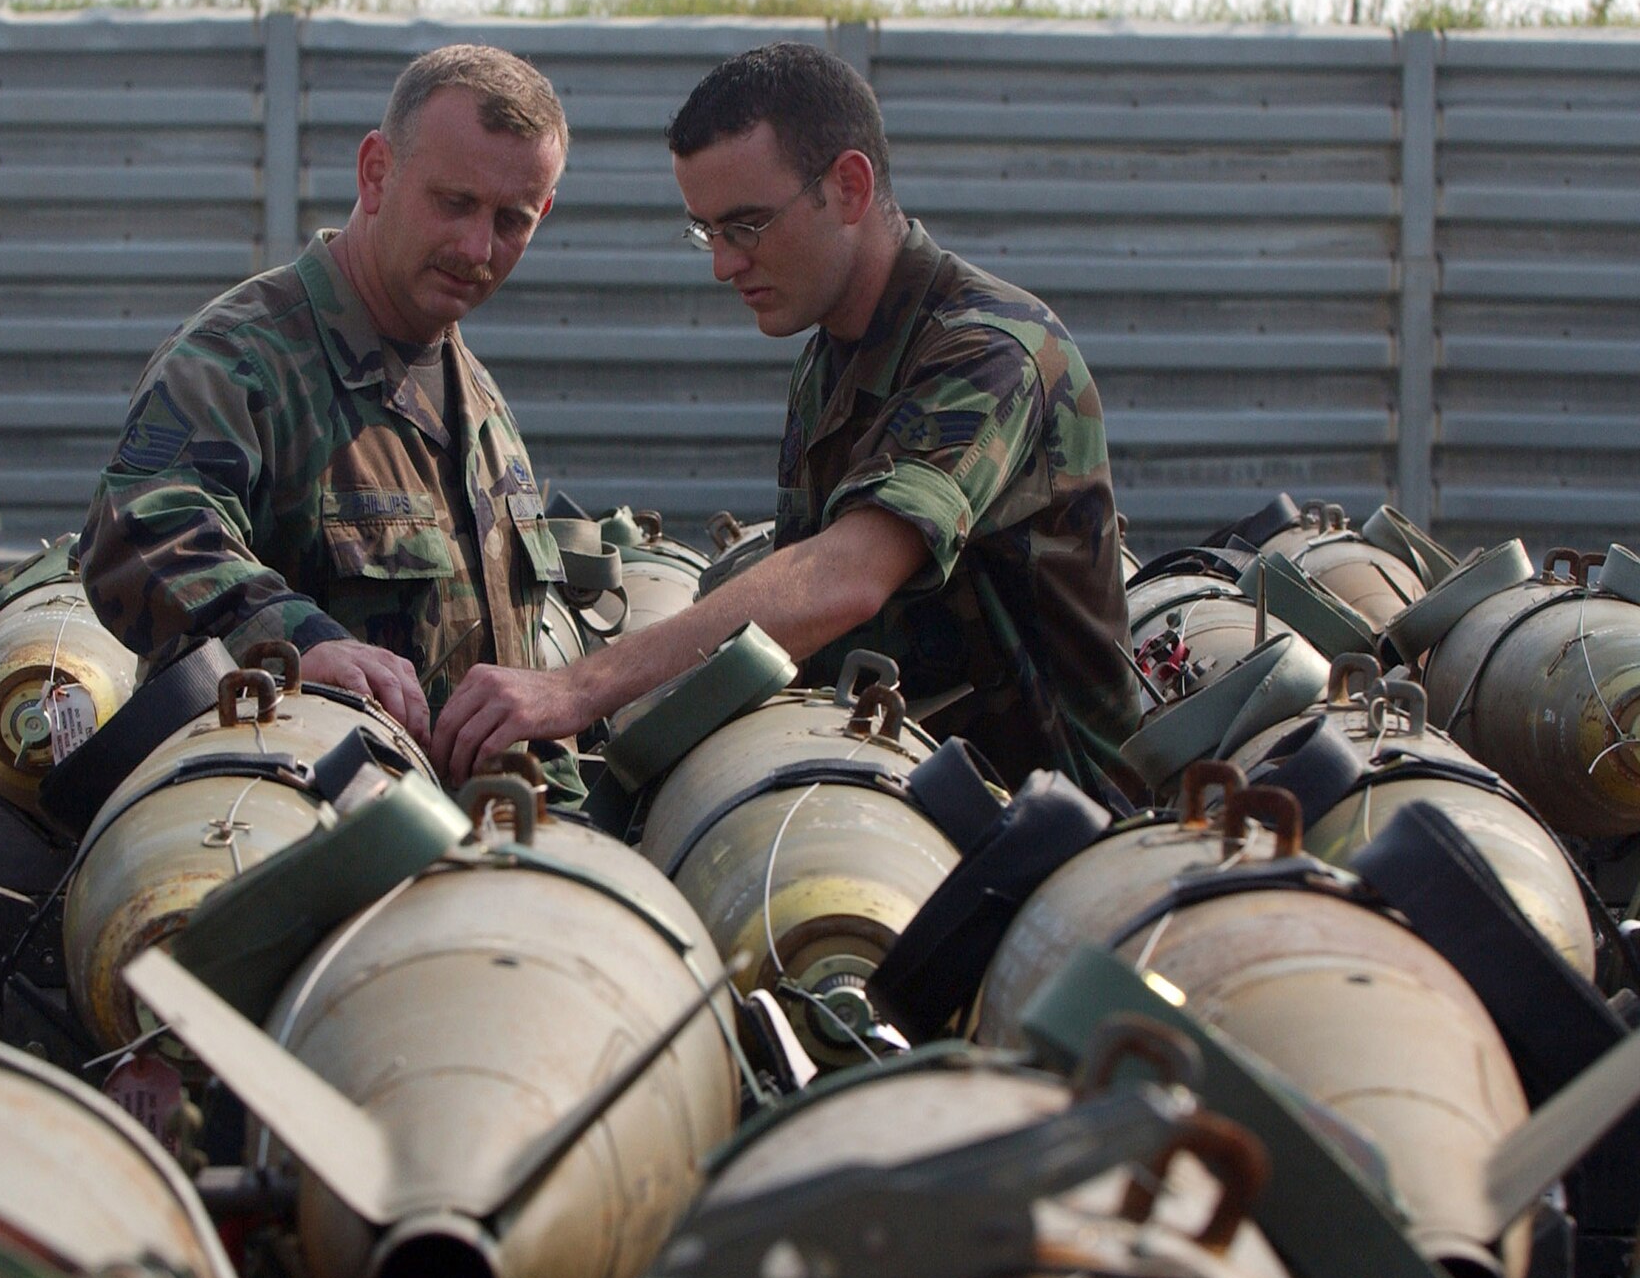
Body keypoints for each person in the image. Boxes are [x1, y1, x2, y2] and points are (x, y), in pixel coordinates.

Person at [435, 41, 1143, 803]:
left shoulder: (991, 349)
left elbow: (845, 577)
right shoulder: (831, 357)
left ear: (847, 187)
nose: (723, 265)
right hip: (906, 807)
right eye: (707, 231)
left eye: (746, 226)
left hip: (1054, 837)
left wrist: (579, 687)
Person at [79, 45, 574, 757]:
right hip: (297, 832)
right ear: (377, 172)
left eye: (512, 221)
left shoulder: (481, 406)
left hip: (472, 848)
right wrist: (293, 640)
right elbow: (139, 531)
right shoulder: (241, 363)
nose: (477, 248)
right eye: (454, 203)